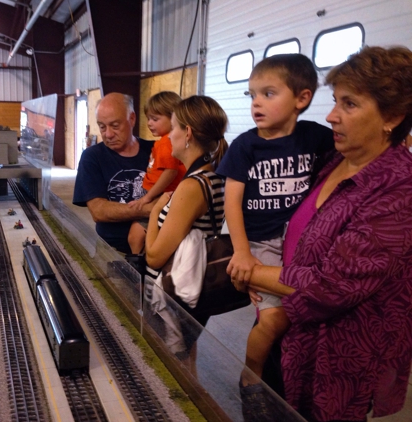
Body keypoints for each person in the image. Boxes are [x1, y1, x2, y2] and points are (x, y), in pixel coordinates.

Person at [233, 46, 412, 421]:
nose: (331, 116)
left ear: (392, 116)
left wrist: (250, 271)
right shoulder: (333, 161)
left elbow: (333, 286)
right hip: (285, 321)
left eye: (349, 104)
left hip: (332, 356)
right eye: (334, 101)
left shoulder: (397, 190)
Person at [215, 54, 334, 392]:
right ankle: (251, 374)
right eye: (252, 95)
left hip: (299, 239)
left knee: (302, 312)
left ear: (302, 98)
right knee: (274, 318)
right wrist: (241, 251)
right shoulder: (245, 146)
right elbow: (232, 203)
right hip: (259, 240)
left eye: (268, 94)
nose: (256, 103)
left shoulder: (316, 138)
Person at [145, 95, 228, 369]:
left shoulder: (193, 186)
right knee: (185, 359)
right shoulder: (213, 177)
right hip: (189, 290)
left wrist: (157, 210)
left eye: (174, 127)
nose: (169, 135)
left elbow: (155, 257)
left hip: (173, 297)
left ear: (188, 133)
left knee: (171, 368)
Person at [73, 92, 155, 254]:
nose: (108, 134)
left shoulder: (155, 151)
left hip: (156, 249)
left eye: (115, 126)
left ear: (132, 119)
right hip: (112, 253)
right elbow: (99, 211)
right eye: (102, 127)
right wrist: (151, 209)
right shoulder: (92, 157)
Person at [127, 91, 186, 254]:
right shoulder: (164, 142)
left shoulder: (168, 143)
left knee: (135, 236)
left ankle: (139, 269)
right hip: (158, 194)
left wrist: (148, 197)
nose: (149, 123)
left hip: (161, 195)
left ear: (173, 118)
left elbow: (170, 172)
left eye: (155, 119)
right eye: (148, 118)